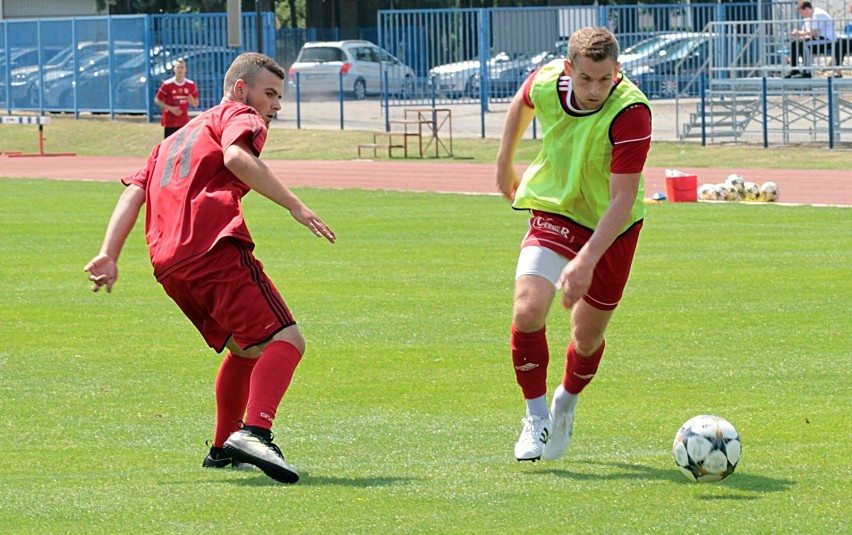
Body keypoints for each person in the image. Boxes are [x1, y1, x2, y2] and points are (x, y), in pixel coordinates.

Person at [84, 52, 336, 484]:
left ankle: (222, 448)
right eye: (269, 93)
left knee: (244, 350)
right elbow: (238, 159)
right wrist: (296, 205)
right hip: (212, 247)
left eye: (279, 96)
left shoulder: (174, 137)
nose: (275, 105)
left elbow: (134, 193)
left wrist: (109, 253)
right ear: (241, 90)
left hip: (168, 262)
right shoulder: (241, 115)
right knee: (288, 340)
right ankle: (255, 432)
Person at [495, 27, 651, 462]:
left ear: (618, 72)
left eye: (605, 79)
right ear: (569, 70)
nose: (595, 89)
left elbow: (622, 200)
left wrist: (585, 260)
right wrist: (503, 164)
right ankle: (536, 416)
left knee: (586, 339)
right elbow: (521, 101)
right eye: (585, 79)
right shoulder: (547, 81)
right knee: (527, 311)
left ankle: (566, 400)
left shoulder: (632, 112)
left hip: (611, 226)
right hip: (555, 208)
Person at [785, 1, 836, 79]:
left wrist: (799, 33)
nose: (801, 15)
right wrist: (799, 36)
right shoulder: (808, 18)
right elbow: (807, 34)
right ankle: (794, 69)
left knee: (805, 44)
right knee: (795, 43)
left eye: (801, 12)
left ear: (807, 9)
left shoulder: (817, 14)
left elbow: (814, 33)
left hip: (827, 40)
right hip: (817, 39)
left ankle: (807, 72)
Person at [154, 58, 200, 138]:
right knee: (168, 146)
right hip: (170, 121)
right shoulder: (167, 84)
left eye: (182, 67)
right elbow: (157, 100)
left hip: (184, 121)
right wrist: (171, 108)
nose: (180, 70)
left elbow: (196, 104)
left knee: (183, 146)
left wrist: (192, 100)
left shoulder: (190, 84)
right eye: (178, 68)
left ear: (185, 69)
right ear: (174, 70)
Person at [832, 2, 852, 78]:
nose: (849, 10)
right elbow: (847, 33)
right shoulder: (850, 21)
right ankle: (838, 70)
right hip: (849, 42)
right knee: (839, 43)